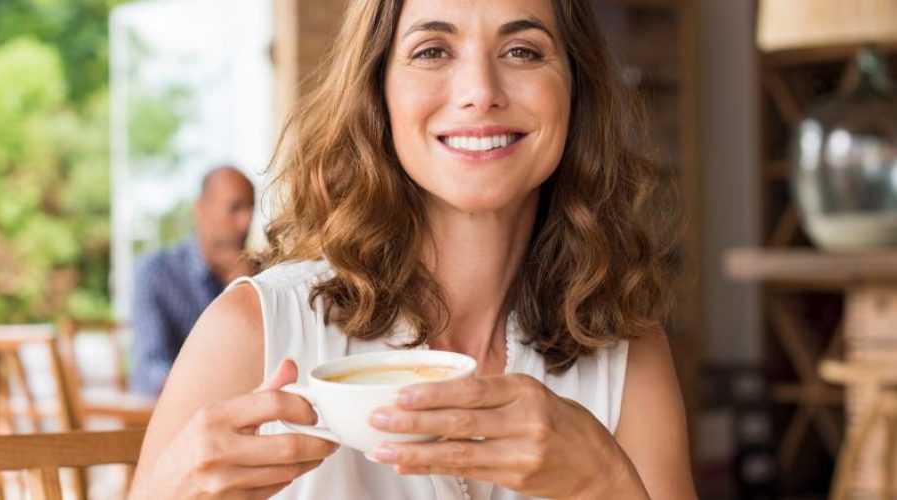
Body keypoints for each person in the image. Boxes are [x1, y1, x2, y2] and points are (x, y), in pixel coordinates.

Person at [132, 0, 697, 498]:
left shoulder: (624, 349)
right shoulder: (253, 331)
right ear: (377, 89)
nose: (480, 92)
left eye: (523, 51)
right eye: (432, 51)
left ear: (576, 88)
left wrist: (602, 483)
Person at [129, 165, 256, 396]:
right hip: (176, 418)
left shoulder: (262, 276)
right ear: (200, 209)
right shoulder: (156, 273)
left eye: (250, 208)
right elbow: (151, 369)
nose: (246, 221)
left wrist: (246, 291)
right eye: (235, 208)